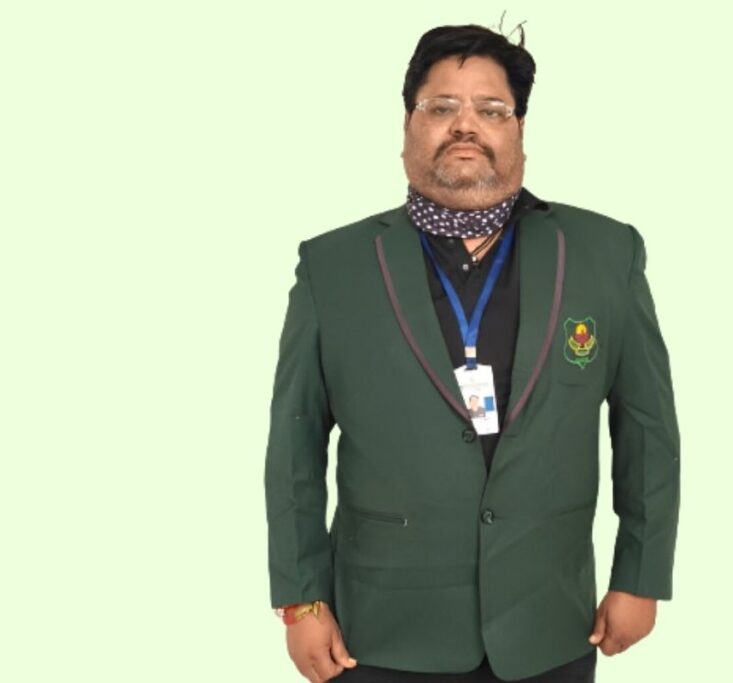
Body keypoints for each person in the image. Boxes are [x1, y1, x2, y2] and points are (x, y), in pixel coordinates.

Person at [264, 22, 681, 683]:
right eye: (441, 107)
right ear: (408, 125)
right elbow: (295, 444)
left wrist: (640, 574)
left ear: (519, 130)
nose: (466, 125)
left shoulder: (605, 253)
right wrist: (301, 599)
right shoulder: (332, 266)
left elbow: (647, 429)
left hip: (549, 624)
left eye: (491, 109)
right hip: (380, 630)